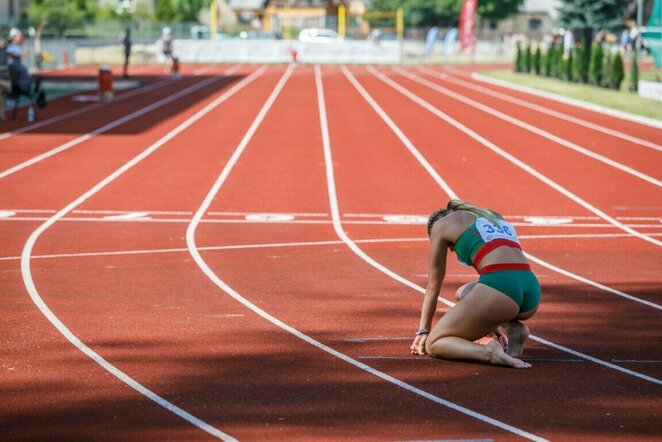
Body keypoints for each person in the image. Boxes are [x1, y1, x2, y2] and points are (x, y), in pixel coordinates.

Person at [410, 199, 541, 369]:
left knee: (435, 343)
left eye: (450, 247)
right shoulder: (493, 217)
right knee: (462, 293)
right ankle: (515, 329)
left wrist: (424, 331)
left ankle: (489, 352)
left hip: (502, 286)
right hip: (531, 290)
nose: (451, 250)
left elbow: (433, 286)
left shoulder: (440, 226)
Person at [0, 45, 33, 120]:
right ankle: (1, 114)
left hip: (20, 87)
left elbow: (12, 79)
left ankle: (10, 100)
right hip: (23, 86)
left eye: (10, 54)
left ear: (14, 55)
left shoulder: (14, 64)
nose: (7, 55)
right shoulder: (17, 63)